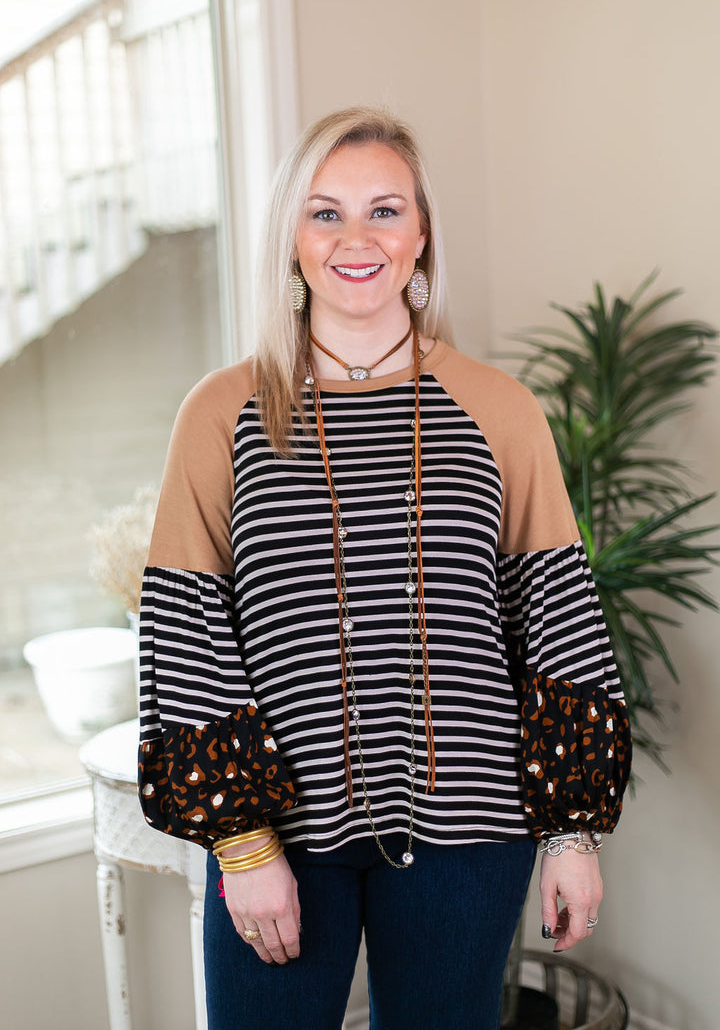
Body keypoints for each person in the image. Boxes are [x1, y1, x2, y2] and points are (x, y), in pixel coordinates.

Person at [137, 107, 631, 1030]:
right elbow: (185, 627)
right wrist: (243, 848)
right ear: (291, 236)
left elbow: (557, 616)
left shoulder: (498, 408)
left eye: (385, 211)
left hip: (472, 836)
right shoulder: (223, 411)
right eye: (325, 214)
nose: (355, 240)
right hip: (280, 832)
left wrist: (571, 832)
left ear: (422, 234)